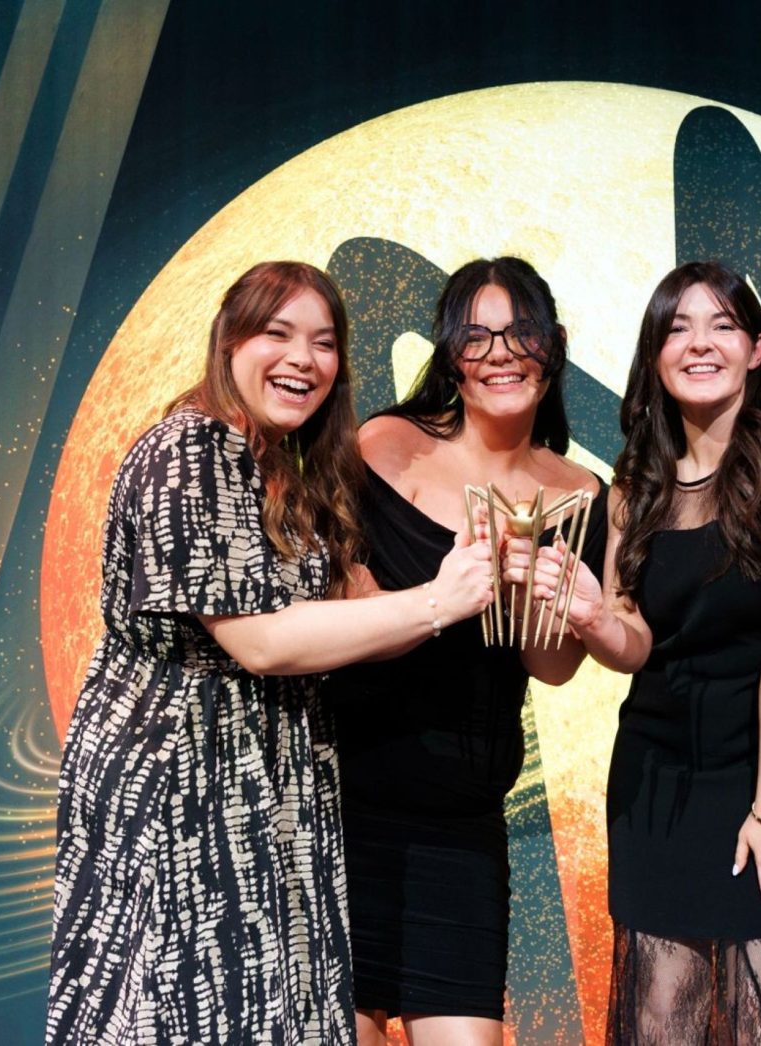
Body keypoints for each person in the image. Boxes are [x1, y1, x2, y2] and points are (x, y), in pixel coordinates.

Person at [47, 261, 494, 1044]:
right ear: (229, 338)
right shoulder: (192, 448)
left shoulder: (283, 468)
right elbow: (259, 641)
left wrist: (487, 562)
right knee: (180, 1013)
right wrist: (437, 602)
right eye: (277, 333)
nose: (303, 359)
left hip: (268, 784)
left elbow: (349, 608)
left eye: (324, 343)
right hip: (180, 784)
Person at [512, 261, 761, 1044]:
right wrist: (591, 618)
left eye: (722, 325)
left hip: (758, 769)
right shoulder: (634, 484)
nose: (700, 344)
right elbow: (634, 645)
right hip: (654, 779)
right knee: (663, 1014)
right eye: (678, 328)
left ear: (757, 349)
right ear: (654, 353)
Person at [333, 256, 608, 1045]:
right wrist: (447, 592)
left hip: (465, 819)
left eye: (519, 332)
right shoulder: (384, 445)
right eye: (476, 336)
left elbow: (553, 668)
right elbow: (338, 609)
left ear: (552, 346)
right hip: (351, 804)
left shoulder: (583, 493)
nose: (499, 354)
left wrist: (531, 592)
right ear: (450, 353)